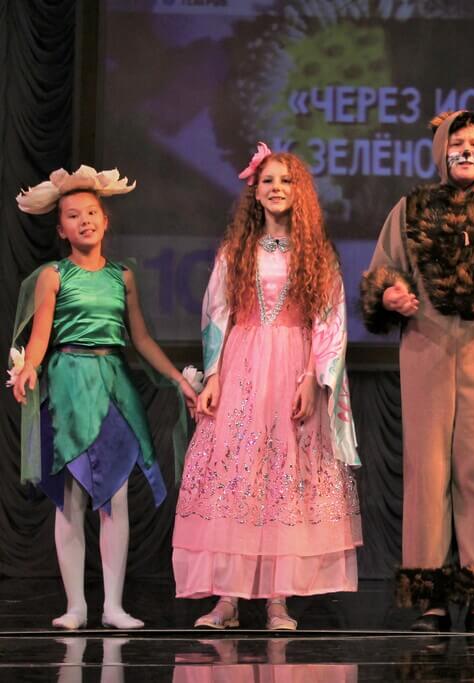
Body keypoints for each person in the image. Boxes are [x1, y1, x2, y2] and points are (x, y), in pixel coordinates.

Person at [360, 110, 474, 632]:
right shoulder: (410, 211)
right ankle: (432, 598)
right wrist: (389, 294)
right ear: (442, 149)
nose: (467, 151)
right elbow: (382, 273)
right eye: (458, 142)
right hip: (427, 350)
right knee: (428, 473)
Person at [172, 144, 362, 630]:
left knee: (283, 475)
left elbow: (330, 321)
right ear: (254, 192)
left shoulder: (316, 254)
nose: (276, 188)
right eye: (268, 180)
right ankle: (228, 600)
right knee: (238, 474)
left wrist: (313, 379)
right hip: (243, 366)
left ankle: (278, 600)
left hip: (293, 368)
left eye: (286, 180)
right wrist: (213, 374)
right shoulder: (236, 251)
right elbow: (217, 313)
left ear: (300, 192)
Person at [9, 165, 198, 629]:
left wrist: (176, 377)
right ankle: (76, 606)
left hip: (113, 382)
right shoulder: (53, 276)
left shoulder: (122, 276)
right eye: (73, 216)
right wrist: (29, 366)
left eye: (91, 213)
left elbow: (141, 338)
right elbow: (40, 336)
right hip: (69, 385)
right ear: (61, 229)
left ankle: (113, 606)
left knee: (115, 495)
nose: (84, 221)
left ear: (105, 220)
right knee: (71, 495)